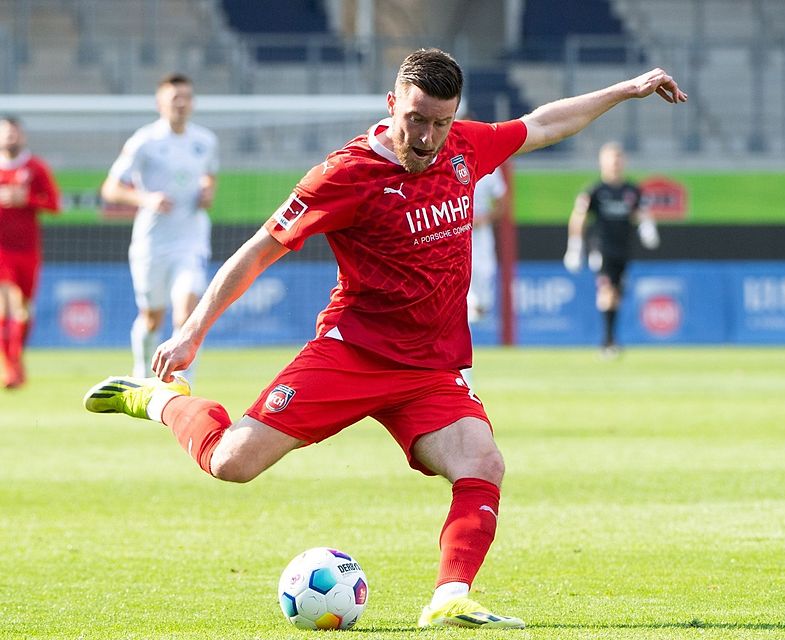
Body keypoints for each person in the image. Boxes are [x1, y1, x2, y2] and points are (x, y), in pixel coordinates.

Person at [84, 49, 685, 629]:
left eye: (441, 123)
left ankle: (450, 599)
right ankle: (159, 401)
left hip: (429, 369)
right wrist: (191, 331)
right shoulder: (345, 174)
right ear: (391, 103)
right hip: (352, 354)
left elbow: (543, 123)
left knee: (483, 463)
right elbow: (261, 249)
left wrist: (624, 90)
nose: (426, 137)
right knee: (231, 463)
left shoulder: (465, 147)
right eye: (415, 120)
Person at [101, 73, 219, 382]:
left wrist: (207, 192)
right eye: (174, 98)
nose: (181, 103)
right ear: (160, 103)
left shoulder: (205, 141)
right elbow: (110, 189)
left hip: (191, 240)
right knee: (152, 318)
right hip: (152, 243)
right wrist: (145, 198)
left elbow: (209, 177)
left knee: (187, 315)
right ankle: (142, 374)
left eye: (186, 97)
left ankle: (182, 384)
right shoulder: (145, 141)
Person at [563, 142, 660, 356]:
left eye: (618, 159)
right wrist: (574, 246)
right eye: (611, 159)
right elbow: (579, 217)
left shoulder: (632, 190)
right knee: (606, 290)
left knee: (616, 294)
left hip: (623, 248)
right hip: (602, 248)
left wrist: (647, 228)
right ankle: (606, 342)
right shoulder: (595, 191)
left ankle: (611, 339)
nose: (615, 164)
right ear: (602, 162)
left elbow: (641, 212)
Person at [0, 115, 61, 389]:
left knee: (23, 313)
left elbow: (54, 204)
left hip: (28, 251)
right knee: (6, 305)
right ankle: (10, 369)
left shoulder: (35, 168)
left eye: (14, 133)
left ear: (21, 136)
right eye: (5, 133)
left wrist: (27, 200)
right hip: (2, 252)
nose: (9, 138)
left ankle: (16, 360)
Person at [467, 165, 507, 324]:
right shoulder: (447, 162)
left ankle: (481, 310)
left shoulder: (491, 168)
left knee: (484, 270)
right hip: (454, 230)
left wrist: (484, 219)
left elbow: (502, 203)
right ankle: (469, 310)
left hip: (480, 231)